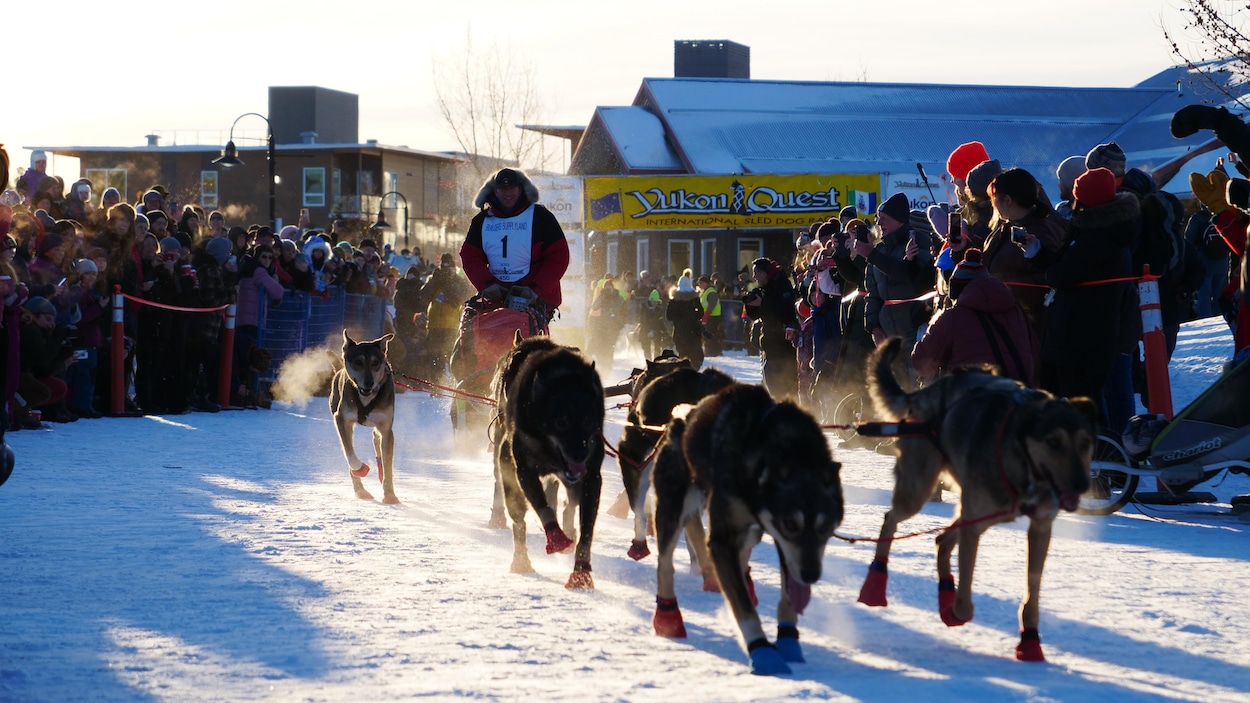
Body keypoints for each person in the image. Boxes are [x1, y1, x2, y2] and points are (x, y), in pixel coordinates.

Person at [911, 248, 1034, 383]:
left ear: (955, 290)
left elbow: (922, 363)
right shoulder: (1016, 309)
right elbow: (1034, 349)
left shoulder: (952, 317)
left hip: (973, 396)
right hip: (1018, 392)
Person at [459, 168, 569, 316]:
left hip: (535, 301)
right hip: (495, 300)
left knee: (529, 334)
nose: (508, 193)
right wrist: (487, 285)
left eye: (512, 188)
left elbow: (558, 256)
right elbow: (470, 257)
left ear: (520, 189)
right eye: (502, 189)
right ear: (495, 191)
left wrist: (535, 289)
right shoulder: (481, 221)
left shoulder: (541, 217)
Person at [852, 192, 935, 369]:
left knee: (916, 384)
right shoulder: (880, 249)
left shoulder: (918, 241)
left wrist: (871, 254)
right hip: (888, 334)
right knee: (893, 389)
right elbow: (872, 294)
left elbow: (910, 278)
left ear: (900, 220)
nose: (879, 223)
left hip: (914, 328)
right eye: (877, 218)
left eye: (884, 218)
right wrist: (873, 328)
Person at [743, 257, 798, 399]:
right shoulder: (764, 288)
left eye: (756, 273)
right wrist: (751, 305)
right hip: (770, 343)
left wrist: (763, 302)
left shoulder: (782, 284)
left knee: (784, 381)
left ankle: (786, 407)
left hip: (783, 343)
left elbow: (785, 309)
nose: (754, 277)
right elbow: (756, 315)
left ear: (764, 273)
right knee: (771, 379)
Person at [666, 270, 705, 369]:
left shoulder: (674, 299)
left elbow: (668, 316)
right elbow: (701, 313)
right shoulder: (694, 298)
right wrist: (693, 316)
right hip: (693, 331)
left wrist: (678, 319)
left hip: (679, 332)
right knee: (694, 355)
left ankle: (683, 373)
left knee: (682, 355)